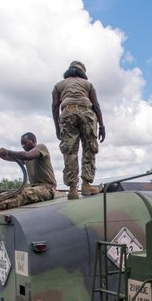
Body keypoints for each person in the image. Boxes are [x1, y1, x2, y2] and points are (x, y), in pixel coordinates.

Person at [52, 60, 106, 199]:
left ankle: (72, 189)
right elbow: (97, 106)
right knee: (89, 148)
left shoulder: (59, 85)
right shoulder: (88, 84)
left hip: (67, 113)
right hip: (86, 113)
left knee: (70, 151)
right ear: (82, 72)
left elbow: (55, 106)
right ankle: (86, 185)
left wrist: (57, 128)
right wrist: (102, 126)